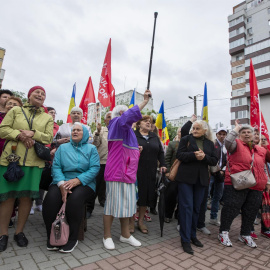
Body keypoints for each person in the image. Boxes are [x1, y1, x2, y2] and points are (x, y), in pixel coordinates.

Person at [0, 86, 53, 252]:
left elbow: (48, 137)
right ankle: (3, 234)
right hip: (11, 160)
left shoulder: (47, 117)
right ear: (29, 95)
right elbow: (3, 129)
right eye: (37, 92)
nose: (40, 95)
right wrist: (19, 135)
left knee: (26, 199)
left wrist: (32, 133)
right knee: (7, 198)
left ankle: (19, 232)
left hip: (34, 162)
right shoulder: (16, 110)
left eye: (43, 94)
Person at [102, 89, 151, 250]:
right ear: (120, 114)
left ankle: (125, 235)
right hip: (116, 173)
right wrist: (144, 101)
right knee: (111, 206)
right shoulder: (116, 123)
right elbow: (127, 117)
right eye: (123, 112)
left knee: (127, 206)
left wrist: (136, 150)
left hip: (128, 174)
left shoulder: (128, 130)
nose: (127, 115)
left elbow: (126, 150)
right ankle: (107, 236)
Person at [42, 123, 100, 253]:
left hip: (84, 182)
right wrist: (62, 184)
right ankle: (52, 236)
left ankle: (72, 238)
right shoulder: (62, 148)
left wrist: (78, 180)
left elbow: (95, 168)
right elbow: (56, 167)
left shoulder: (91, 149)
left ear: (84, 133)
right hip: (61, 180)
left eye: (78, 130)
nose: (75, 132)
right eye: (73, 130)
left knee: (74, 200)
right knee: (50, 200)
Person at [218, 120, 270, 248]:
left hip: (256, 185)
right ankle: (223, 232)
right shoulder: (236, 145)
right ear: (240, 135)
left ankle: (245, 234)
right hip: (237, 183)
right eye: (243, 132)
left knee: (251, 211)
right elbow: (227, 142)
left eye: (249, 132)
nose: (247, 134)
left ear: (253, 135)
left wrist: (267, 181)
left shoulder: (260, 150)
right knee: (231, 208)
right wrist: (236, 128)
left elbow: (265, 164)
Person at [175, 120, 218, 255]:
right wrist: (194, 155)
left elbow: (214, 160)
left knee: (196, 209)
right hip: (185, 179)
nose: (194, 130)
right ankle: (185, 240)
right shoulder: (186, 139)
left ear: (205, 130)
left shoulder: (210, 143)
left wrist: (204, 157)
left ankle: (193, 236)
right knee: (186, 207)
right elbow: (179, 155)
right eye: (193, 128)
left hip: (202, 180)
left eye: (197, 128)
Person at [135, 116, 166, 234]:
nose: (148, 123)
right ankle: (129, 223)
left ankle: (141, 221)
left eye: (150, 122)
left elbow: (161, 152)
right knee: (134, 196)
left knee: (146, 196)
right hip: (135, 171)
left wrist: (163, 164)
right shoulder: (133, 135)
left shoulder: (154, 137)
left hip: (151, 171)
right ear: (138, 124)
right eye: (145, 121)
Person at [30, 107, 59, 215]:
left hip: (50, 158)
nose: (53, 114)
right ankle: (30, 203)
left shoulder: (57, 126)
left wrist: (56, 146)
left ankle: (39, 203)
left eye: (54, 113)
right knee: (34, 180)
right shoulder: (40, 123)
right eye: (51, 112)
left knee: (43, 181)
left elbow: (56, 140)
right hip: (38, 153)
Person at [86, 111, 111, 218]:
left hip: (113, 164)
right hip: (100, 162)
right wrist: (97, 133)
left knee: (105, 187)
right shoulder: (100, 130)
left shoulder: (119, 131)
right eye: (108, 117)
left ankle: (103, 201)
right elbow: (95, 144)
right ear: (105, 120)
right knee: (95, 186)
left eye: (113, 117)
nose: (111, 119)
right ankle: (88, 208)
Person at [208, 128, 227, 226]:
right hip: (211, 173)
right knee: (206, 195)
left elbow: (228, 160)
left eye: (224, 134)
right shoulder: (212, 144)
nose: (222, 136)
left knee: (218, 196)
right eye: (220, 134)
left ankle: (213, 217)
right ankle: (200, 219)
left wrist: (223, 170)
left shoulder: (227, 146)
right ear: (217, 135)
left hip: (221, 174)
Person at [164, 127, 181, 223]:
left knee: (182, 196)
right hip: (173, 174)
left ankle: (178, 214)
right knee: (171, 195)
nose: (181, 133)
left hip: (184, 175)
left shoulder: (189, 144)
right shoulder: (173, 144)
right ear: (177, 133)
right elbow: (167, 158)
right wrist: (168, 172)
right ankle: (168, 214)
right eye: (179, 131)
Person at [260, 134, 270, 239]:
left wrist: (265, 147)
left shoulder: (265, 150)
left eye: (264, 139)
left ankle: (265, 229)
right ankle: (249, 230)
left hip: (265, 181)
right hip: (255, 182)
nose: (263, 141)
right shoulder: (254, 149)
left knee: (265, 207)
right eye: (261, 139)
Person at [0, 90, 14, 155]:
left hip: (6, 150)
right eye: (5, 97)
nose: (7, 99)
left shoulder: (14, 116)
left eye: (9, 98)